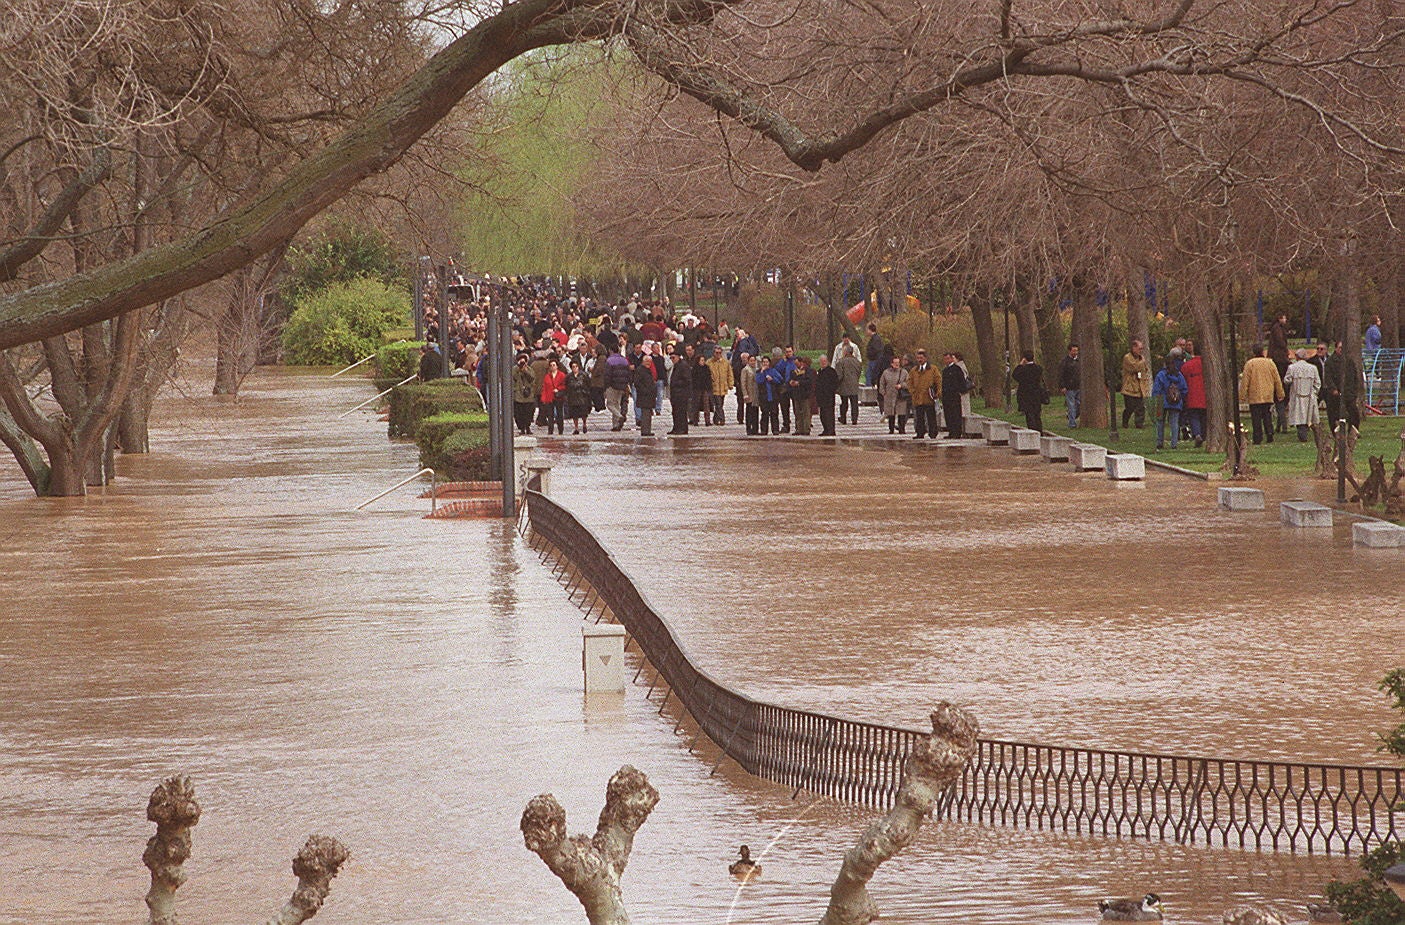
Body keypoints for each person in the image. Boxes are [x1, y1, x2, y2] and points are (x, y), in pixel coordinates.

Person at [1239, 343, 1285, 445]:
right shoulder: (1270, 363)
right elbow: (1277, 379)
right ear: (1262, 351)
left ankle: (1257, 437)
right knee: (1267, 415)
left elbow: (1245, 381)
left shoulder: (1250, 364)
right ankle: (1269, 433)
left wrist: (1242, 395)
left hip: (1254, 395)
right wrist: (1280, 393)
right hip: (1267, 394)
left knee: (1256, 418)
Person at [1283, 347, 1321, 441]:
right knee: (1308, 415)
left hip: (1297, 396)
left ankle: (1302, 434)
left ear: (1296, 356)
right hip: (1309, 396)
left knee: (1299, 416)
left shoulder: (1292, 368)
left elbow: (1287, 380)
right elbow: (1318, 383)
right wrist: (1314, 392)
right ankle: (1307, 432)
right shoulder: (1313, 368)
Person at [1323, 339, 1362, 432]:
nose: (1341, 350)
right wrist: (1333, 389)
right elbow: (1328, 378)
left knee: (1354, 413)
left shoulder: (1349, 361)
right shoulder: (1330, 362)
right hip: (1335, 394)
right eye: (1340, 348)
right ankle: (1336, 432)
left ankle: (1353, 432)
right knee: (1334, 415)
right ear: (1336, 348)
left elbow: (1354, 377)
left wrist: (1354, 391)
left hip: (1348, 393)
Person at [1151, 356, 1187, 450]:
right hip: (1175, 402)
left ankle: (1160, 442)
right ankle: (1174, 444)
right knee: (1174, 423)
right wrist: (1179, 398)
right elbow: (1184, 389)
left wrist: (1156, 399)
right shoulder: (1178, 375)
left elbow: (1156, 389)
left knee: (1160, 422)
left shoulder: (1161, 375)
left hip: (1161, 401)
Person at [907, 349, 940, 438]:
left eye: (921, 358)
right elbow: (909, 381)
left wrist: (937, 393)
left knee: (931, 416)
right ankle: (920, 433)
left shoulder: (933, 369)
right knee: (919, 417)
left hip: (929, 396)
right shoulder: (914, 370)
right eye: (918, 358)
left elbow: (938, 381)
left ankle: (933, 433)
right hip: (918, 397)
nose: (919, 360)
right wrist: (912, 391)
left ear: (925, 358)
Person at [1011, 349, 1045, 432]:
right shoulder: (1038, 368)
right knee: (1037, 414)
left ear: (1024, 359)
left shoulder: (1023, 370)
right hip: (1036, 394)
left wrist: (1020, 365)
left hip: (1026, 394)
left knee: (1029, 415)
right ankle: (1039, 431)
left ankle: (1032, 430)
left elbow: (1014, 375)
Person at [1120, 338, 1151, 428]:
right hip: (1129, 387)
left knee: (1141, 407)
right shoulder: (1127, 358)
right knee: (1130, 407)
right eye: (1139, 349)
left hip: (1139, 387)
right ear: (1133, 348)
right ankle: (1125, 422)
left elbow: (1144, 370)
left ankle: (1139, 424)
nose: (1141, 351)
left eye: (1142, 349)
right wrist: (1142, 362)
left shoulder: (1141, 358)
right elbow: (1135, 367)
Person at [1180, 345, 1206, 447]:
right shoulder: (1207, 365)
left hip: (1192, 396)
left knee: (1193, 417)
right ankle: (1203, 436)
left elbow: (1182, 380)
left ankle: (1197, 434)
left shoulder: (1187, 365)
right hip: (1205, 397)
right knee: (1204, 417)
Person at [878, 355, 910, 434]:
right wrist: (883, 393)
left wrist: (902, 385)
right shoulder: (886, 372)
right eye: (895, 363)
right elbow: (882, 383)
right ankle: (891, 429)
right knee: (891, 413)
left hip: (900, 396)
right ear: (891, 364)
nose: (897, 364)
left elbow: (909, 383)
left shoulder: (904, 372)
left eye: (898, 363)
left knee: (901, 413)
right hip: (889, 396)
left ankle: (902, 429)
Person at [603, 347, 632, 431]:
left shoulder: (609, 361)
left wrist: (606, 386)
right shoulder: (624, 360)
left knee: (610, 404)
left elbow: (607, 375)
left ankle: (620, 417)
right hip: (622, 386)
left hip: (612, 385)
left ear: (610, 350)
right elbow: (629, 373)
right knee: (617, 404)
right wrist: (627, 383)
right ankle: (616, 425)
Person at [941, 352, 967, 439]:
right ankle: (951, 431)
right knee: (948, 415)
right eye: (945, 359)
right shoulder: (945, 370)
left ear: (951, 359)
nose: (946, 361)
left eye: (948, 358)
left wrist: (960, 391)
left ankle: (957, 432)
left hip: (954, 395)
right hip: (946, 396)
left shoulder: (957, 369)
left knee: (955, 414)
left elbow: (962, 382)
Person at [756, 356, 784, 435]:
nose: (765, 364)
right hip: (764, 396)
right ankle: (764, 430)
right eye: (764, 362)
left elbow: (780, 380)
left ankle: (775, 429)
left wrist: (772, 379)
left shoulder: (773, 371)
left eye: (767, 362)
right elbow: (759, 381)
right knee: (764, 414)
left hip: (773, 396)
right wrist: (762, 372)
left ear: (769, 363)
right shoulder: (759, 372)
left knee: (774, 413)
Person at [788, 355, 816, 435]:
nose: (796, 365)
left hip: (805, 394)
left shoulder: (808, 371)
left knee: (805, 412)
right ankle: (798, 429)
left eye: (797, 363)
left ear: (801, 363)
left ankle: (806, 429)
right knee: (797, 413)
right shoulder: (793, 371)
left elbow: (809, 381)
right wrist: (791, 382)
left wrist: (799, 383)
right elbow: (791, 379)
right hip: (796, 394)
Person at [667, 350, 693, 435]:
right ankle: (676, 427)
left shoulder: (683, 366)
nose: (672, 359)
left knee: (681, 412)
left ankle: (682, 428)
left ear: (678, 356)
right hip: (675, 394)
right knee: (675, 411)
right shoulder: (676, 365)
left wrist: (677, 383)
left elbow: (687, 380)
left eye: (673, 357)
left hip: (681, 394)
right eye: (671, 358)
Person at [835, 346, 863, 425]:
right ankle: (854, 419)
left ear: (846, 352)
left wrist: (836, 384)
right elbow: (859, 373)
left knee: (844, 403)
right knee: (854, 403)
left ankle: (843, 418)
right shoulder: (857, 362)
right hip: (854, 384)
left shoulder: (841, 362)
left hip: (844, 385)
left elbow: (839, 375)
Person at [539, 358, 567, 435]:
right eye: (551, 365)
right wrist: (543, 398)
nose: (552, 367)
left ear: (557, 366)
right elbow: (544, 387)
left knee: (559, 414)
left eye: (554, 365)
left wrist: (558, 389)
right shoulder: (547, 376)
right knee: (550, 415)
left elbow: (564, 385)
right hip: (549, 397)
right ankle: (550, 430)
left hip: (558, 397)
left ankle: (560, 430)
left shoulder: (561, 375)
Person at [706, 348, 733, 425]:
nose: (718, 354)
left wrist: (730, 384)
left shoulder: (725, 363)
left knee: (720, 404)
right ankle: (722, 419)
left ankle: (716, 418)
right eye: (716, 353)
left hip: (723, 387)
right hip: (714, 387)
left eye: (719, 353)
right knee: (718, 404)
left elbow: (729, 374)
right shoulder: (709, 362)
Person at [511, 353, 536, 435]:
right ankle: (522, 428)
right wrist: (518, 368)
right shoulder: (514, 369)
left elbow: (532, 378)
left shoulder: (529, 369)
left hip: (528, 396)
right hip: (518, 395)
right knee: (519, 414)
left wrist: (525, 370)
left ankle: (528, 427)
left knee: (528, 413)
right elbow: (512, 377)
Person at [633, 355, 657, 436]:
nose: (648, 363)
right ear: (643, 361)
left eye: (650, 362)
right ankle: (645, 431)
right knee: (646, 413)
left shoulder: (647, 370)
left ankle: (647, 430)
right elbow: (637, 383)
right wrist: (645, 390)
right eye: (647, 361)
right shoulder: (640, 370)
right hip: (644, 395)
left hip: (649, 395)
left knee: (648, 413)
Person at [565, 358, 591, 434]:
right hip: (573, 397)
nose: (575, 368)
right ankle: (576, 428)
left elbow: (588, 384)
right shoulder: (569, 377)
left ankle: (584, 424)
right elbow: (567, 386)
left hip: (582, 397)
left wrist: (586, 393)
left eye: (576, 366)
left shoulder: (584, 375)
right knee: (574, 414)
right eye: (573, 367)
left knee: (584, 413)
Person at [815, 355, 839, 436]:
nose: (823, 363)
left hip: (829, 397)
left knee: (829, 414)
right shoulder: (819, 371)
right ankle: (825, 429)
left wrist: (830, 391)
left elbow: (835, 383)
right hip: (821, 397)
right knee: (823, 415)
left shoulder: (831, 371)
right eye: (821, 361)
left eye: (824, 361)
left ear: (827, 361)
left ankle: (831, 430)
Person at [1059, 344, 1080, 428]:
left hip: (1079, 386)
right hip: (1069, 387)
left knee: (1078, 404)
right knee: (1071, 405)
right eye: (1073, 350)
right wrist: (1062, 386)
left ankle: (1072, 416)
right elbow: (1061, 374)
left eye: (1076, 350)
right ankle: (1072, 423)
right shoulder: (1065, 361)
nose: (1075, 352)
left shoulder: (1079, 361)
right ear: (1069, 351)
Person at [740, 354, 760, 435]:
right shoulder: (745, 370)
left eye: (754, 360)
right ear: (748, 361)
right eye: (751, 360)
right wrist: (745, 394)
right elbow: (743, 382)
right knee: (749, 412)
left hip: (756, 394)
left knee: (756, 412)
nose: (753, 362)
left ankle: (755, 429)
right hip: (749, 394)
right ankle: (749, 428)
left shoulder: (757, 369)